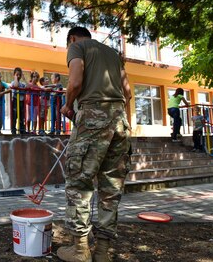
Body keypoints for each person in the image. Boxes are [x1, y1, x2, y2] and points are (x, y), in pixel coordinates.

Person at [59, 26, 132, 262]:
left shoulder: (76, 47)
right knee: (111, 188)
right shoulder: (112, 53)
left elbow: (76, 82)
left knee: (79, 181)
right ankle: (102, 251)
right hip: (120, 120)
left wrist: (68, 104)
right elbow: (128, 92)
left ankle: (80, 250)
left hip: (92, 117)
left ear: (71, 38)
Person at [10, 67, 27, 135]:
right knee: (14, 116)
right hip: (15, 100)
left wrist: (24, 79)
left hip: (22, 101)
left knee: (21, 116)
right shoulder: (13, 82)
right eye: (17, 74)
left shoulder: (22, 84)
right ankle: (13, 130)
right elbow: (16, 85)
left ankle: (22, 129)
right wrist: (15, 77)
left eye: (20, 75)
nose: (19, 76)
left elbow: (28, 87)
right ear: (14, 75)